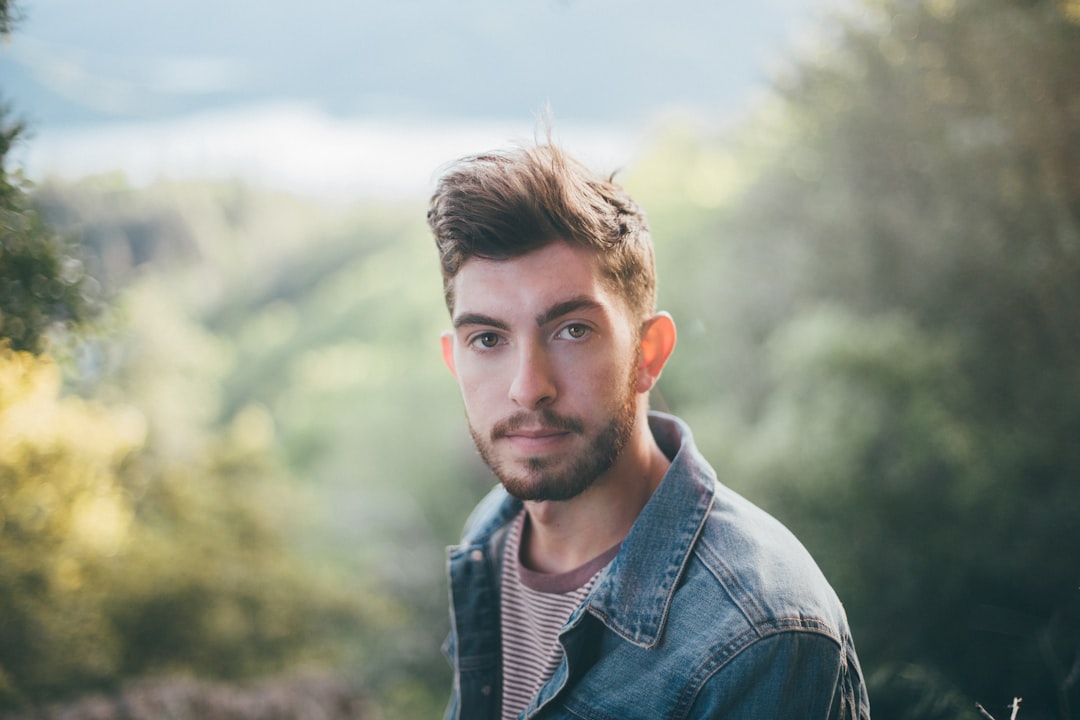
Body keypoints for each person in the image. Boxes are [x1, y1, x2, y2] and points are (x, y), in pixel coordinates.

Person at [427, 141, 870, 720]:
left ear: (648, 352)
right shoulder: (494, 530)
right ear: (454, 360)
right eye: (487, 339)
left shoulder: (763, 631)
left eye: (572, 331)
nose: (527, 386)